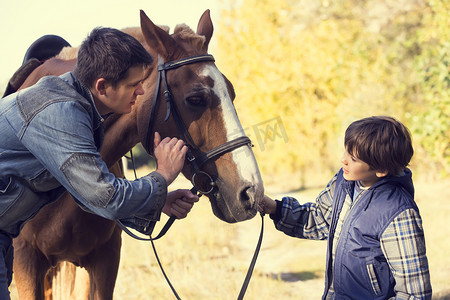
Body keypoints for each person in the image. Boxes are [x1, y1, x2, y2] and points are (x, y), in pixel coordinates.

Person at [0, 27, 198, 298]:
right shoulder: (61, 112)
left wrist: (156, 200)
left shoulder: (80, 110)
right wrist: (161, 177)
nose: (140, 91)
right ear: (102, 86)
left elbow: (86, 194)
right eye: (133, 84)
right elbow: (104, 195)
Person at [260, 116, 432, 299]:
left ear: (381, 169)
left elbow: (414, 293)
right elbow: (320, 219)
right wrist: (275, 208)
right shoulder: (345, 182)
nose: (343, 160)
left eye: (353, 158)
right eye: (346, 152)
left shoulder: (397, 212)